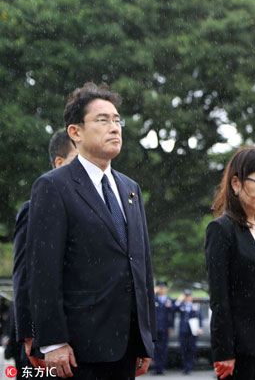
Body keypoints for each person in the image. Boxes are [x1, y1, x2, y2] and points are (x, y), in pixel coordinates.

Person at [27, 82, 157, 379]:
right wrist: (53, 341)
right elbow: (43, 271)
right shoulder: (53, 187)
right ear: (75, 132)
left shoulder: (130, 188)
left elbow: (141, 266)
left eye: (117, 120)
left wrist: (146, 338)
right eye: (102, 120)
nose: (114, 127)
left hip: (126, 346)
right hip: (78, 349)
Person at [205, 146, 255, 380]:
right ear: (236, 183)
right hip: (240, 349)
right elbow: (218, 297)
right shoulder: (222, 230)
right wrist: (223, 350)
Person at [11, 129, 78, 378]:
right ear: (59, 162)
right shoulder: (35, 208)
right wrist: (31, 334)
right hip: (46, 341)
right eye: (78, 159)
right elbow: (24, 274)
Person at [174, 290, 200, 375]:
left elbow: (200, 317)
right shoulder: (181, 305)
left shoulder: (196, 306)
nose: (188, 297)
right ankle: (185, 367)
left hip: (192, 331)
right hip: (183, 330)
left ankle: (190, 367)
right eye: (186, 296)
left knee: (191, 349)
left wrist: (200, 328)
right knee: (183, 350)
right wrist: (179, 299)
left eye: (189, 296)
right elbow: (173, 308)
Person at [153, 281, 175, 375]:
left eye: (163, 288)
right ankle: (156, 368)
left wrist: (171, 326)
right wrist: (153, 292)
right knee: (155, 348)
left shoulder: (169, 300)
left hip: (165, 327)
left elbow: (172, 315)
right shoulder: (154, 298)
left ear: (166, 289)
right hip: (155, 327)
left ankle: (162, 368)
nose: (161, 289)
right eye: (160, 287)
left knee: (164, 348)